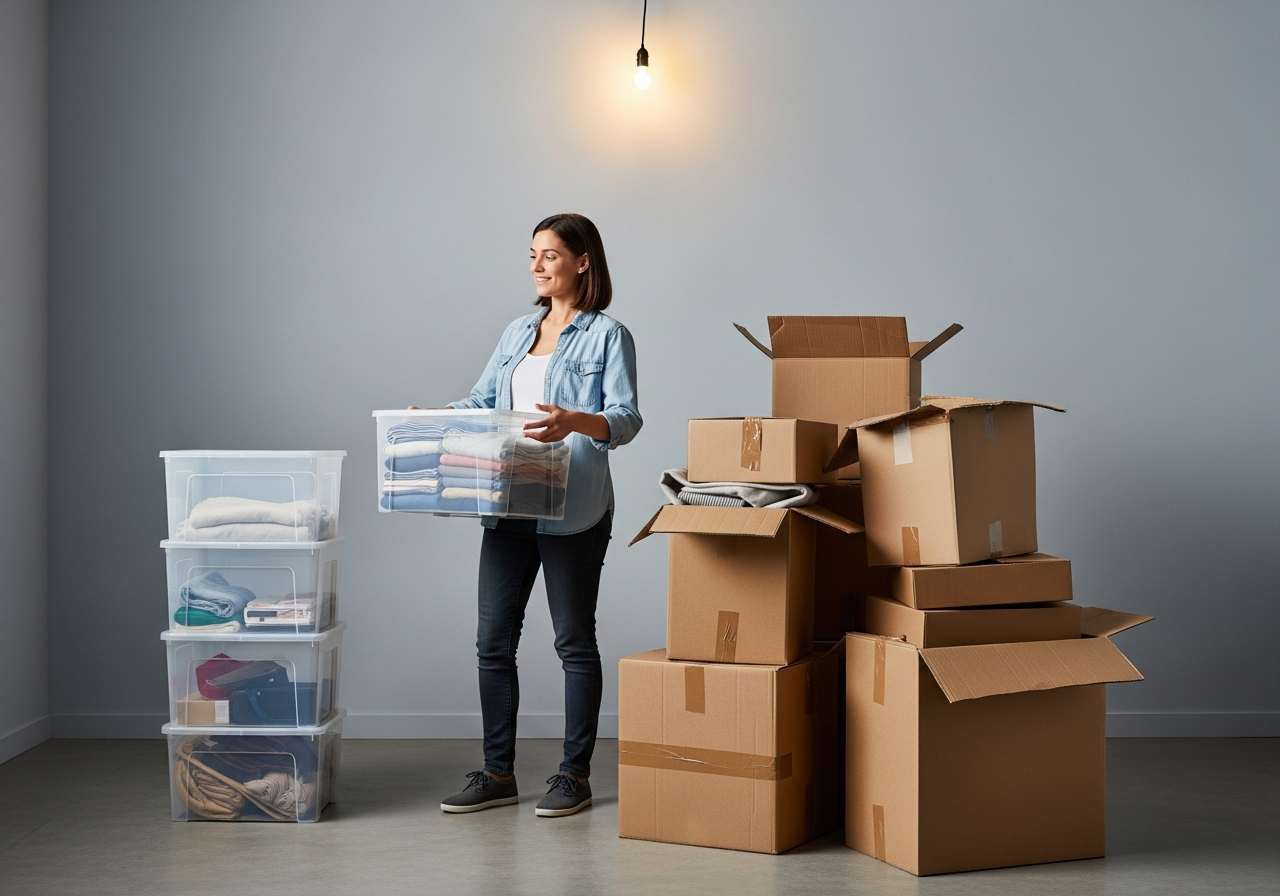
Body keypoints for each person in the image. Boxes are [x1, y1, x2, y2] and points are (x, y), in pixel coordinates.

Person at [436, 214, 641, 817]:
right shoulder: (517, 331)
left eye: (549, 255)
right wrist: (430, 415)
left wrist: (574, 420)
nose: (536, 266)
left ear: (582, 261)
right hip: (507, 500)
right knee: (492, 641)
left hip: (573, 505)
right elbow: (481, 401)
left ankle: (573, 776)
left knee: (573, 641)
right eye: (532, 255)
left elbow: (625, 420)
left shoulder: (608, 335)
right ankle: (498, 773)